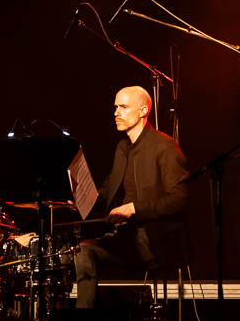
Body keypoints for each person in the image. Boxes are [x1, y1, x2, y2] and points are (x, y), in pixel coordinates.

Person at [74, 86, 189, 308]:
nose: (116, 113)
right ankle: (83, 320)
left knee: (88, 251)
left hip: (156, 240)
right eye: (115, 107)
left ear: (143, 110)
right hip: (128, 239)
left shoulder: (165, 146)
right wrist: (75, 196)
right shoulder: (122, 148)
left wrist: (133, 208)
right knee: (80, 251)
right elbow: (106, 194)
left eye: (123, 107)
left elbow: (179, 198)